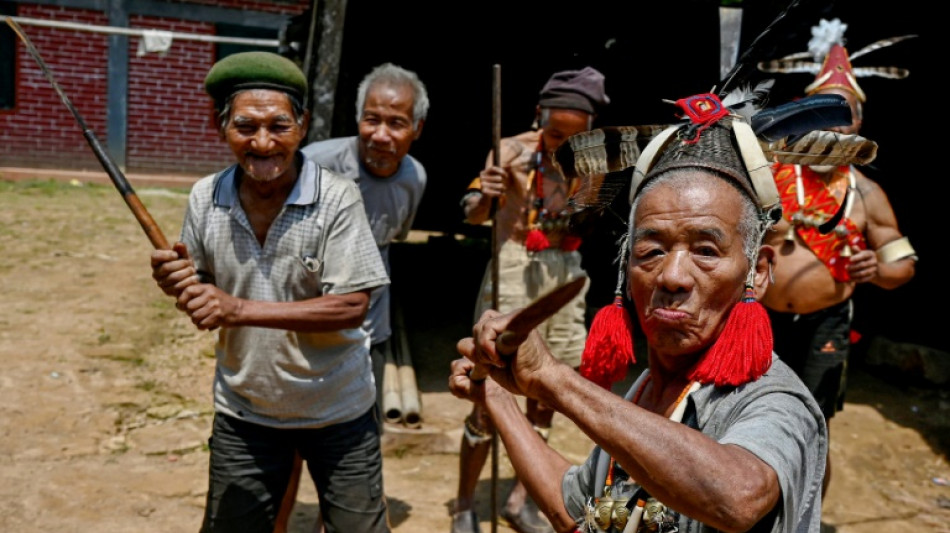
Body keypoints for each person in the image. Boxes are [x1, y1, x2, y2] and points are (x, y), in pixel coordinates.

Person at [448, 91, 828, 533]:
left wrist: (553, 380)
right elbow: (578, 515)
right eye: (650, 251)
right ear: (625, 270)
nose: (672, 276)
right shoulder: (647, 391)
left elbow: (738, 498)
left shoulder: (774, 400)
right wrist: (499, 398)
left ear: (757, 272)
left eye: (706, 250)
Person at [149, 51, 391, 533]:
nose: (263, 143)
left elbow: (351, 306)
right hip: (246, 410)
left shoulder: (337, 196)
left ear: (302, 126)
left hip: (338, 410)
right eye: (245, 127)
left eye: (279, 126)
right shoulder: (205, 197)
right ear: (221, 129)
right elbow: (202, 293)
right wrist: (178, 285)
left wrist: (236, 307)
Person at [757, 18, 918, 498]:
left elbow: (903, 267)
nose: (830, 125)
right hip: (757, 318)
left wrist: (878, 269)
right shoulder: (768, 175)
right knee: (741, 416)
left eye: (841, 115)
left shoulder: (867, 193)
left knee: (811, 431)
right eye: (820, 113)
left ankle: (800, 518)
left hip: (825, 326)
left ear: (858, 125)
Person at [452, 67, 610, 533]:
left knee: (547, 392)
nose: (563, 142)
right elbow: (472, 212)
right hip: (514, 266)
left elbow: (586, 228)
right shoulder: (511, 151)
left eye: (575, 136)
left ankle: (521, 500)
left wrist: (586, 194)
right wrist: (489, 194)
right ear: (538, 117)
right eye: (555, 132)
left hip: (564, 271)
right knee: (490, 388)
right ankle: (464, 505)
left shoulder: (592, 162)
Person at [275, 61, 429, 532]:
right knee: (287, 441)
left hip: (368, 333)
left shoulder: (413, 180)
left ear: (416, 129)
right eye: (371, 119)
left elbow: (392, 238)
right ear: (357, 118)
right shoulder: (313, 164)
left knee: (346, 446)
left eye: (396, 123)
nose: (380, 134)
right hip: (302, 325)